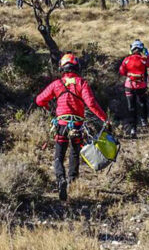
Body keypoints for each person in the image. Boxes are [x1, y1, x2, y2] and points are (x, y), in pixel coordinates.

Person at [35, 53, 110, 201]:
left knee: (58, 156)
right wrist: (105, 119)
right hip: (77, 125)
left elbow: (39, 100)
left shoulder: (56, 84)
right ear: (77, 67)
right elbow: (92, 104)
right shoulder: (81, 83)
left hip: (61, 125)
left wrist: (50, 109)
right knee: (75, 154)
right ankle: (72, 181)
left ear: (62, 68)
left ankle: (60, 179)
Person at [119, 40, 149, 138]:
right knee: (142, 103)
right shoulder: (144, 59)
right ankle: (144, 121)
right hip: (141, 86)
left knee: (131, 108)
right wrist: (148, 55)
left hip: (129, 86)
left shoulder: (126, 60)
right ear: (141, 49)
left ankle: (133, 130)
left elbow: (122, 71)